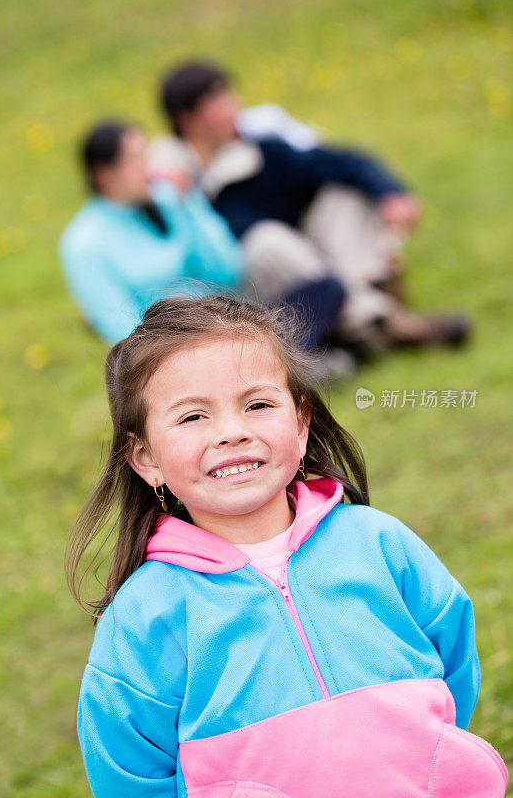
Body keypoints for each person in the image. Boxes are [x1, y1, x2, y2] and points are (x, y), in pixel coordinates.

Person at [68, 294, 507, 797]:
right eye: (193, 417)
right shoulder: (146, 614)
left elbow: (453, 660)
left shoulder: (378, 543)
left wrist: (434, 753)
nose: (233, 433)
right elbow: (127, 768)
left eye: (257, 405)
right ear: (146, 459)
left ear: (300, 425)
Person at [151, 60, 471, 355]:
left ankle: (364, 323)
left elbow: (338, 161)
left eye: (228, 95)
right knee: (266, 242)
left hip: (313, 272)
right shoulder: (165, 177)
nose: (232, 106)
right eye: (216, 101)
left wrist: (390, 193)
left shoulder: (262, 152)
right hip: (250, 299)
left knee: (341, 193)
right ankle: (386, 322)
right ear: (188, 119)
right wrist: (171, 189)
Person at [59, 120, 354, 381]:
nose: (148, 166)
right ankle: (284, 366)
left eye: (146, 154)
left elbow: (226, 270)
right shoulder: (84, 242)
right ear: (103, 174)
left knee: (326, 288)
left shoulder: (166, 199)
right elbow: (120, 331)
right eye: (135, 159)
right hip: (172, 347)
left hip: (228, 318)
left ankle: (274, 366)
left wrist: (188, 202)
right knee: (291, 346)